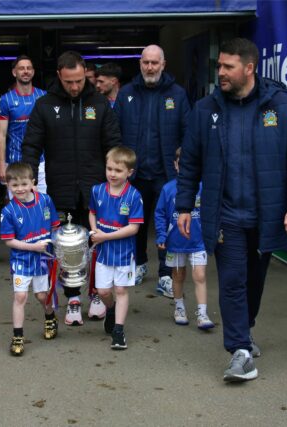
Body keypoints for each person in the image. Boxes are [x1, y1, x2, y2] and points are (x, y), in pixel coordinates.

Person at [176, 38, 287, 382]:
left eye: (228, 67)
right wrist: (184, 205)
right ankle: (239, 351)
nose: (220, 72)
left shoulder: (281, 107)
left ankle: (245, 327)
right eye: (219, 66)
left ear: (249, 68)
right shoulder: (205, 109)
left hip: (266, 215)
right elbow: (190, 161)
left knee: (254, 280)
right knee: (232, 281)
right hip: (226, 216)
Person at [22, 50, 121, 326]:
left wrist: (117, 181)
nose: (75, 87)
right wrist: (29, 180)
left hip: (96, 190)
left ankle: (97, 294)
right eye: (69, 82)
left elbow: (113, 144)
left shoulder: (99, 104)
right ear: (59, 76)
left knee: (97, 242)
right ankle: (73, 298)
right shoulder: (44, 105)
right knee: (68, 247)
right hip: (61, 188)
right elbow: (31, 146)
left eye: (79, 80)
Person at [114, 44, 190, 297]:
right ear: (140, 64)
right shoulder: (126, 94)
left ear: (163, 65)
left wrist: (182, 163)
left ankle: (166, 274)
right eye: (146, 62)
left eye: (154, 63)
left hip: (166, 175)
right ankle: (139, 264)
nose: (149, 67)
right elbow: (114, 132)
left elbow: (188, 133)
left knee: (166, 225)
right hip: (134, 174)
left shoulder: (177, 95)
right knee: (135, 222)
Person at [0, 163, 60, 356]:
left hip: (43, 259)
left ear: (33, 183)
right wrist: (33, 247)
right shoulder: (8, 211)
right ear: (8, 185)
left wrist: (60, 249)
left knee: (42, 296)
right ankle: (17, 336)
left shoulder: (45, 200)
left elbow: (55, 227)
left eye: (24, 184)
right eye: (15, 185)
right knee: (20, 297)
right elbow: (9, 241)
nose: (20, 189)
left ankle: (50, 317)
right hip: (21, 259)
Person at [89, 147, 143, 350]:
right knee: (103, 292)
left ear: (129, 172)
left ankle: (118, 331)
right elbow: (92, 212)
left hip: (124, 252)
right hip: (103, 251)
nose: (112, 174)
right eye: (109, 168)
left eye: (118, 170)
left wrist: (105, 236)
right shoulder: (97, 190)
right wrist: (94, 230)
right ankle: (110, 309)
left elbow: (133, 228)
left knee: (120, 289)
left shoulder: (134, 196)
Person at [155, 148, 213, 329]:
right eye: (182, 163)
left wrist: (214, 232)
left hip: (198, 242)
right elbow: (160, 214)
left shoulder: (204, 187)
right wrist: (161, 235)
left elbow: (212, 212)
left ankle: (202, 314)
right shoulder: (168, 189)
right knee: (178, 276)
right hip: (175, 243)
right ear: (175, 164)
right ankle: (179, 308)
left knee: (200, 275)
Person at [0, 55, 47, 193]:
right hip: (15, 161)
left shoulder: (44, 96)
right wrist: (1, 165)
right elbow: (1, 135)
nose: (26, 71)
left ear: (33, 72)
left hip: (41, 161)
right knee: (18, 204)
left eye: (29, 68)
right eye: (22, 68)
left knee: (42, 202)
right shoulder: (5, 100)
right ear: (14, 72)